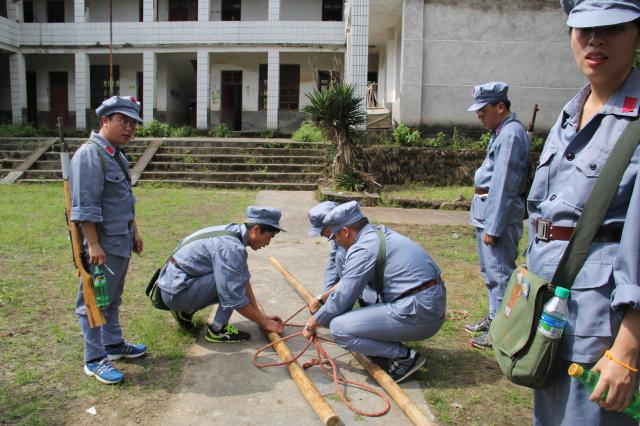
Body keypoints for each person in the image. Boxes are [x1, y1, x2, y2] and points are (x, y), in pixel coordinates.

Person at [528, 1, 640, 424]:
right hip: (551, 303)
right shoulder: (571, 111)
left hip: (602, 322)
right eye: (584, 29)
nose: (595, 40)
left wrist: (627, 350)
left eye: (613, 28)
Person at [302, 201, 446, 383]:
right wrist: (324, 302)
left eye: (335, 237)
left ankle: (405, 356)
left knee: (339, 329)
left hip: (421, 313)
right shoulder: (373, 234)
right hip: (422, 303)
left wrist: (313, 324)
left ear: (345, 231)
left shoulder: (363, 249)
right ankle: (379, 336)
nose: (335, 242)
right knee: (354, 303)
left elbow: (344, 295)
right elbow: (347, 285)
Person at [70, 96, 147, 385]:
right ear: (105, 121)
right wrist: (92, 244)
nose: (129, 128)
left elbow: (124, 199)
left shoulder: (116, 154)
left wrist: (134, 231)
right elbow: (84, 207)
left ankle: (113, 344)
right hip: (101, 246)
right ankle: (94, 358)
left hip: (120, 240)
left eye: (133, 123)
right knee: (92, 300)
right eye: (122, 121)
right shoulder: (90, 155)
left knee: (111, 298)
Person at [464, 81, 530, 349]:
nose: (479, 115)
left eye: (483, 109)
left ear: (500, 107)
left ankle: (501, 332)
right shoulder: (501, 131)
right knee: (490, 272)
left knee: (501, 274)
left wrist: (494, 226)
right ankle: (494, 318)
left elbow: (504, 184)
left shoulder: (511, 134)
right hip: (486, 212)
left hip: (497, 217)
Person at [157, 206, 285, 343]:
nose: (268, 243)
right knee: (230, 285)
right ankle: (217, 329)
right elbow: (234, 296)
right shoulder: (232, 248)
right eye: (269, 237)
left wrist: (262, 316)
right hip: (176, 293)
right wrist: (264, 323)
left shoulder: (233, 230)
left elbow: (243, 278)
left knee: (235, 277)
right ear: (255, 230)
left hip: (172, 285)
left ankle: (184, 311)